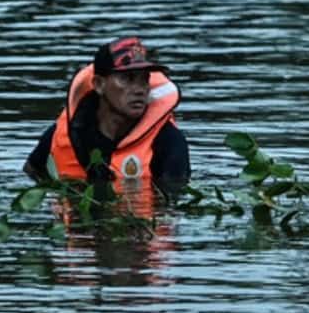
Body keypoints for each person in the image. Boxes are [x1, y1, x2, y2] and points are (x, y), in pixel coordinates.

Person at [24, 36, 190, 195]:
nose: (139, 89)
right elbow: (32, 174)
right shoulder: (65, 132)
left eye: (144, 79)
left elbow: (171, 203)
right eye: (127, 78)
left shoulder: (169, 142)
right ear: (99, 85)